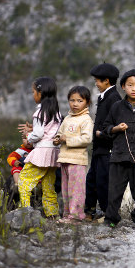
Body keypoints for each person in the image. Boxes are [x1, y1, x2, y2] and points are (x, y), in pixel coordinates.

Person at [103, 69, 135, 231]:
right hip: (118, 157)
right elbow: (106, 128)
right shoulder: (116, 107)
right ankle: (111, 219)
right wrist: (116, 128)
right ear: (123, 86)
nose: (133, 88)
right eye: (130, 85)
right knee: (114, 191)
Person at [18, 77, 62, 218]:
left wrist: (28, 136)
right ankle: (52, 214)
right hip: (54, 152)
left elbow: (38, 133)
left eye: (33, 92)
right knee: (49, 186)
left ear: (40, 93)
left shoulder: (39, 112)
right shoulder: (57, 112)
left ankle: (25, 212)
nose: (32, 95)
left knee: (24, 181)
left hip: (41, 153)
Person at [84, 63, 121, 222]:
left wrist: (100, 133)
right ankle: (90, 212)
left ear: (106, 81)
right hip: (99, 148)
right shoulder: (104, 96)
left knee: (103, 182)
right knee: (92, 180)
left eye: (98, 81)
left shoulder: (114, 98)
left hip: (107, 149)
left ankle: (108, 214)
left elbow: (115, 125)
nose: (96, 84)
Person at [54, 86, 94, 224]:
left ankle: (76, 216)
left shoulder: (86, 119)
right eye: (72, 100)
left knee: (76, 190)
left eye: (79, 100)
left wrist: (67, 139)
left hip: (77, 160)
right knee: (65, 190)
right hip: (64, 158)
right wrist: (57, 139)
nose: (75, 104)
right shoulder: (68, 118)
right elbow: (60, 133)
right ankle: (67, 214)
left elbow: (87, 139)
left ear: (87, 102)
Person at [5, 142, 33, 208]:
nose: (28, 141)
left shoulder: (37, 149)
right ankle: (17, 183)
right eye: (25, 139)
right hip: (21, 168)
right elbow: (11, 157)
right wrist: (14, 162)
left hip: (33, 170)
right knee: (15, 169)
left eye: (30, 139)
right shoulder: (20, 151)